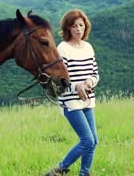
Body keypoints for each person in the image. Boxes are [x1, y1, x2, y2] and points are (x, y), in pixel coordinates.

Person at [46, 9, 100, 176]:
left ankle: (84, 173)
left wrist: (90, 82)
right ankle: (58, 170)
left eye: (81, 25)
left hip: (87, 100)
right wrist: (77, 86)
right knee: (87, 140)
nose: (78, 29)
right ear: (67, 28)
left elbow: (95, 73)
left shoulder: (88, 48)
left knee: (94, 141)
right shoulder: (63, 49)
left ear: (86, 27)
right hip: (70, 102)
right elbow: (59, 80)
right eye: (74, 26)